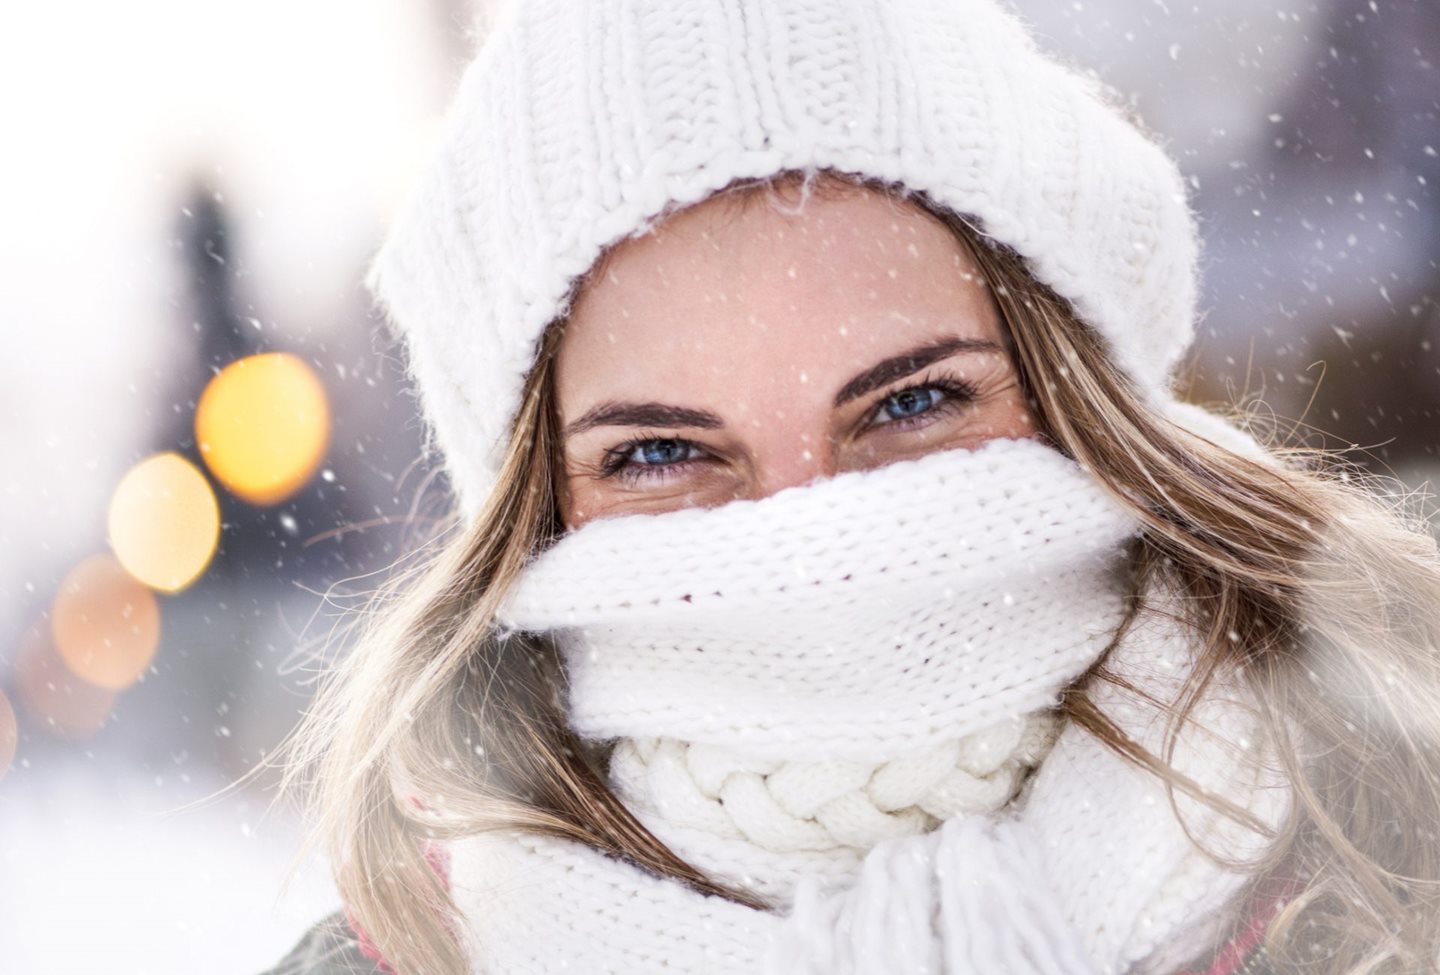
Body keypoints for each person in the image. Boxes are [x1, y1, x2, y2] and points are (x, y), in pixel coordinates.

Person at [260, 1, 1440, 973]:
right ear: (538, 507)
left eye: (914, 401)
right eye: (662, 453)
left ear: (1079, 398)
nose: (808, 529)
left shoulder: (1396, 877)